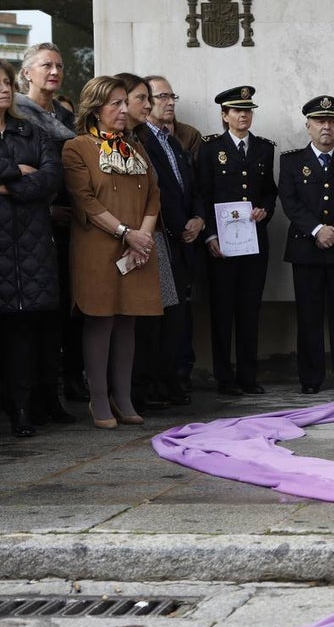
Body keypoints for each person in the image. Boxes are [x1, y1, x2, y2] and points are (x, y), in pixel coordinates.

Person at [61, 75, 161, 428]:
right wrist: (125, 233)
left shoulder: (136, 147)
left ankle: (123, 397)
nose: (123, 110)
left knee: (127, 322)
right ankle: (99, 400)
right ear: (95, 108)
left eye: (124, 103)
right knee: (100, 320)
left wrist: (143, 237)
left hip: (137, 248)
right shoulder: (77, 148)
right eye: (114, 103)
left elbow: (154, 196)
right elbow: (85, 201)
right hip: (98, 246)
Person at [278, 95, 334, 393]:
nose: (326, 127)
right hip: (306, 250)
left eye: (331, 121)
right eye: (319, 121)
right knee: (309, 316)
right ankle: (311, 378)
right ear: (308, 126)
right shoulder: (291, 161)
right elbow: (289, 201)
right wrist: (317, 230)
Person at [196, 86, 278, 396]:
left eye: (248, 110)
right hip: (222, 244)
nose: (244, 115)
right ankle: (224, 377)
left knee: (249, 309)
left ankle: (248, 376)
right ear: (224, 115)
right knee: (222, 311)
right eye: (237, 111)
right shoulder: (210, 149)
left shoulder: (264, 148)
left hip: (253, 241)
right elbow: (202, 194)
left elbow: (269, 191)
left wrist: (264, 210)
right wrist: (209, 235)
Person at [16, 42, 83, 413]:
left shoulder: (65, 116)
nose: (55, 71)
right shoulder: (17, 114)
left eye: (59, 65)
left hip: (71, 225)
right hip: (31, 226)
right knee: (35, 318)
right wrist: (46, 204)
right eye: (46, 65)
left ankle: (62, 389)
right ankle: (35, 398)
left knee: (66, 311)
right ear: (27, 73)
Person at [0, 59, 64, 436]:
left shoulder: (31, 132)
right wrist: (18, 172)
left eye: (7, 83)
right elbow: (31, 178)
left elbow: (51, 179)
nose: (4, 89)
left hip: (30, 246)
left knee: (23, 335)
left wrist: (6, 186)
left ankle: (23, 410)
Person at [132, 74, 202, 408]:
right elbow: (155, 195)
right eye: (161, 97)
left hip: (183, 242)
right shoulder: (140, 140)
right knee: (153, 321)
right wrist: (178, 225)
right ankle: (151, 386)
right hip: (159, 237)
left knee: (176, 317)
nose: (169, 102)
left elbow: (191, 187)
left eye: (172, 96)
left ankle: (171, 381)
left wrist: (198, 218)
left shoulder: (173, 142)